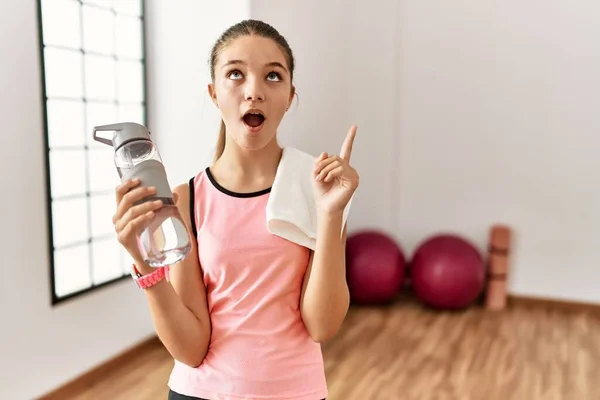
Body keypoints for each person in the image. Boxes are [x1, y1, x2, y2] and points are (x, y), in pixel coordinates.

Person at [112, 19, 359, 400]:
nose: (254, 91)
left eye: (273, 76)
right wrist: (146, 265)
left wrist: (330, 214)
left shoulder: (320, 188)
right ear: (213, 93)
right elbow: (192, 350)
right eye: (235, 74)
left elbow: (321, 325)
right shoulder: (186, 199)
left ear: (291, 95)